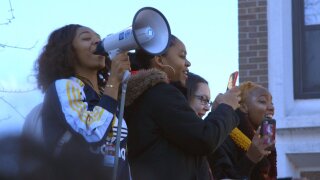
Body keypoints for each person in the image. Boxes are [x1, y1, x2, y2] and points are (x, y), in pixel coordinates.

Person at [124, 35, 241, 180]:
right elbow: (204, 139)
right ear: (160, 60)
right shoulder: (161, 92)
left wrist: (218, 112)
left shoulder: (146, 94)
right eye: (182, 56)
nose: (188, 63)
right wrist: (227, 107)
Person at [34, 24, 131, 180]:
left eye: (99, 39)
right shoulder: (65, 86)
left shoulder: (105, 94)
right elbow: (91, 133)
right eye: (86, 38)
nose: (97, 42)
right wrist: (113, 80)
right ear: (67, 50)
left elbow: (121, 156)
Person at [208, 81, 277, 180]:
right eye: (262, 101)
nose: (271, 108)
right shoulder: (223, 138)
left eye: (272, 103)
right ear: (243, 107)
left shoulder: (261, 141)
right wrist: (250, 158)